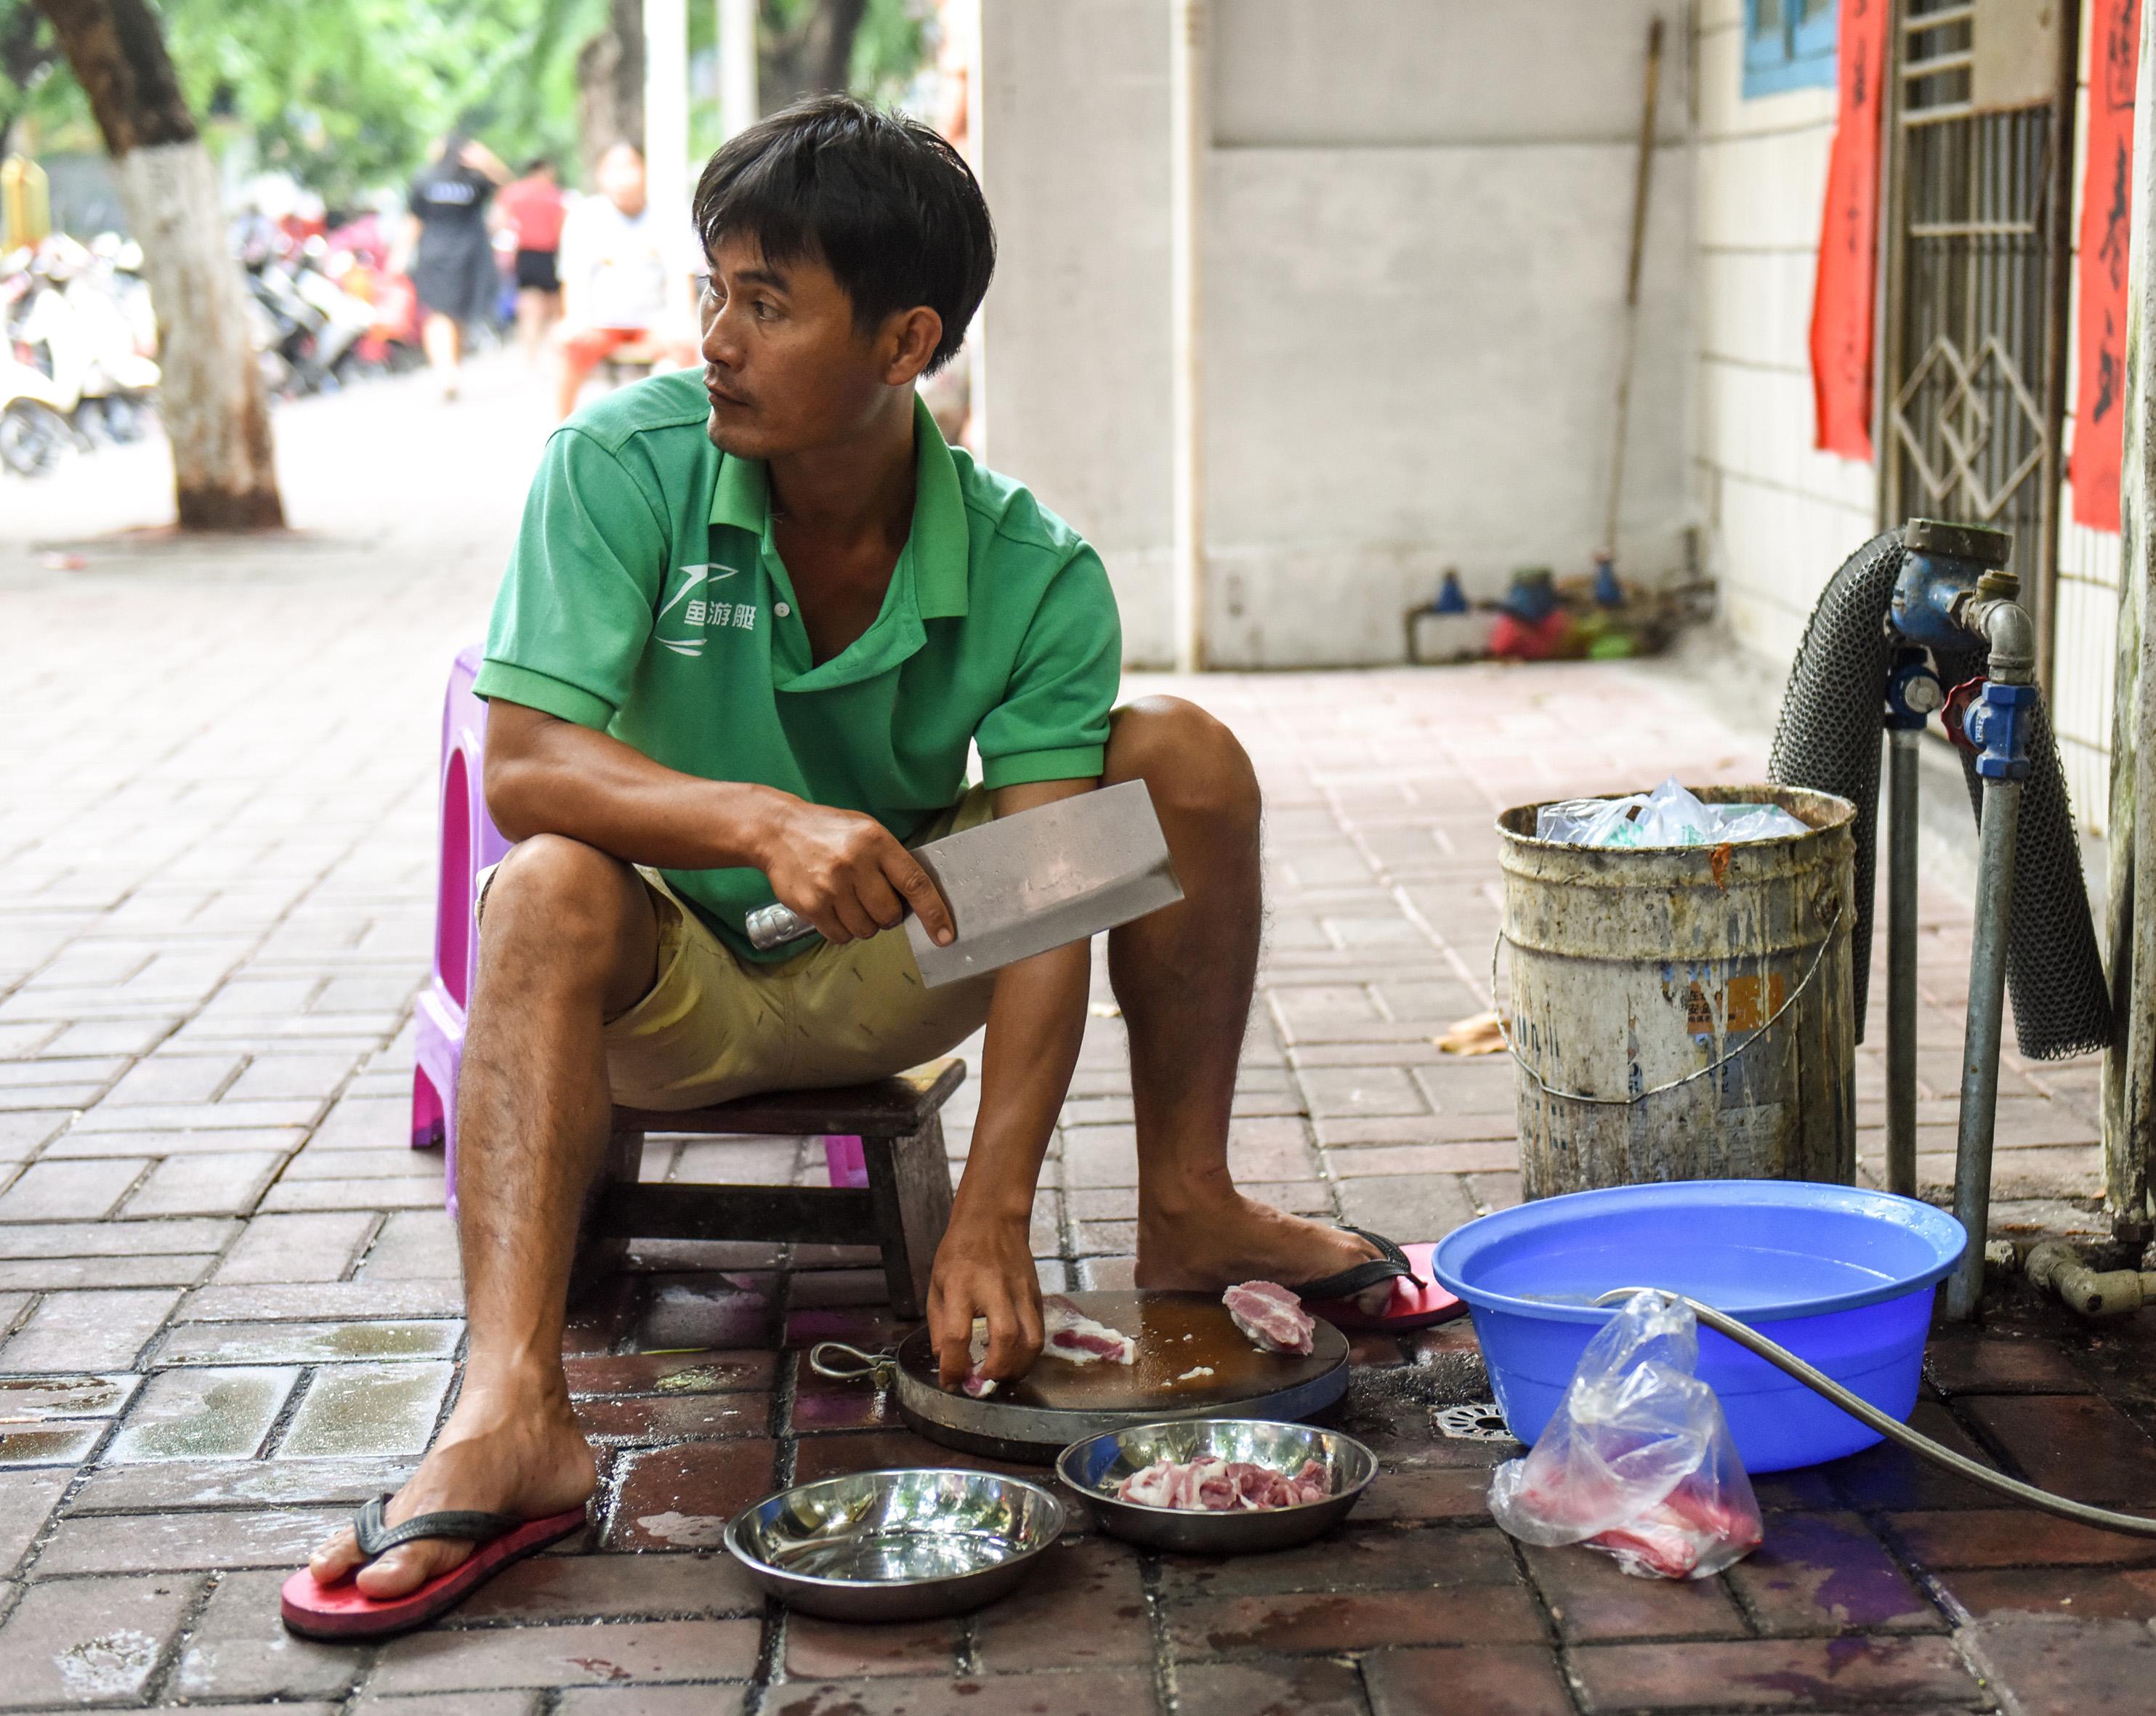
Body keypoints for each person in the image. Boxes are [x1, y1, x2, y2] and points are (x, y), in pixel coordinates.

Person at [288, 94, 1458, 1633]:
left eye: (766, 304)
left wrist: (993, 1207)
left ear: (905, 344)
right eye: (714, 288)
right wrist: (758, 818)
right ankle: (513, 1406)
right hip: (660, 985)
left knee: (1174, 756)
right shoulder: (618, 464)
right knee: (545, 880)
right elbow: (520, 765)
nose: (715, 334)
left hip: (890, 969)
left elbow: (1052, 883)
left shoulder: (1030, 564)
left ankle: (1186, 1201)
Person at [552, 141, 695, 418]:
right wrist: (575, 319)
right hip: (600, 323)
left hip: (654, 322)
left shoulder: (668, 215)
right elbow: (575, 278)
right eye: (613, 169)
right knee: (568, 346)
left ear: (644, 170)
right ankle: (562, 429)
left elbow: (679, 276)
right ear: (600, 176)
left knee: (684, 350)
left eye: (629, 166)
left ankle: (684, 430)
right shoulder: (585, 216)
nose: (623, 177)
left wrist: (682, 319)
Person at [402, 132, 508, 400]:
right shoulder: (465, 180)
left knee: (447, 314)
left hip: (442, 253)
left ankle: (448, 371)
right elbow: (506, 184)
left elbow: (414, 219)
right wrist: (488, 161)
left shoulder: (431, 178)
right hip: (464, 254)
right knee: (443, 313)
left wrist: (400, 254)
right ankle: (447, 373)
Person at [496, 156, 566, 363]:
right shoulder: (554, 195)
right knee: (555, 307)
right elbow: (561, 227)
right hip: (548, 254)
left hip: (525, 254)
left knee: (529, 307)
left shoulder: (514, 193)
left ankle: (531, 357)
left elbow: (500, 220)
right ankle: (552, 356)